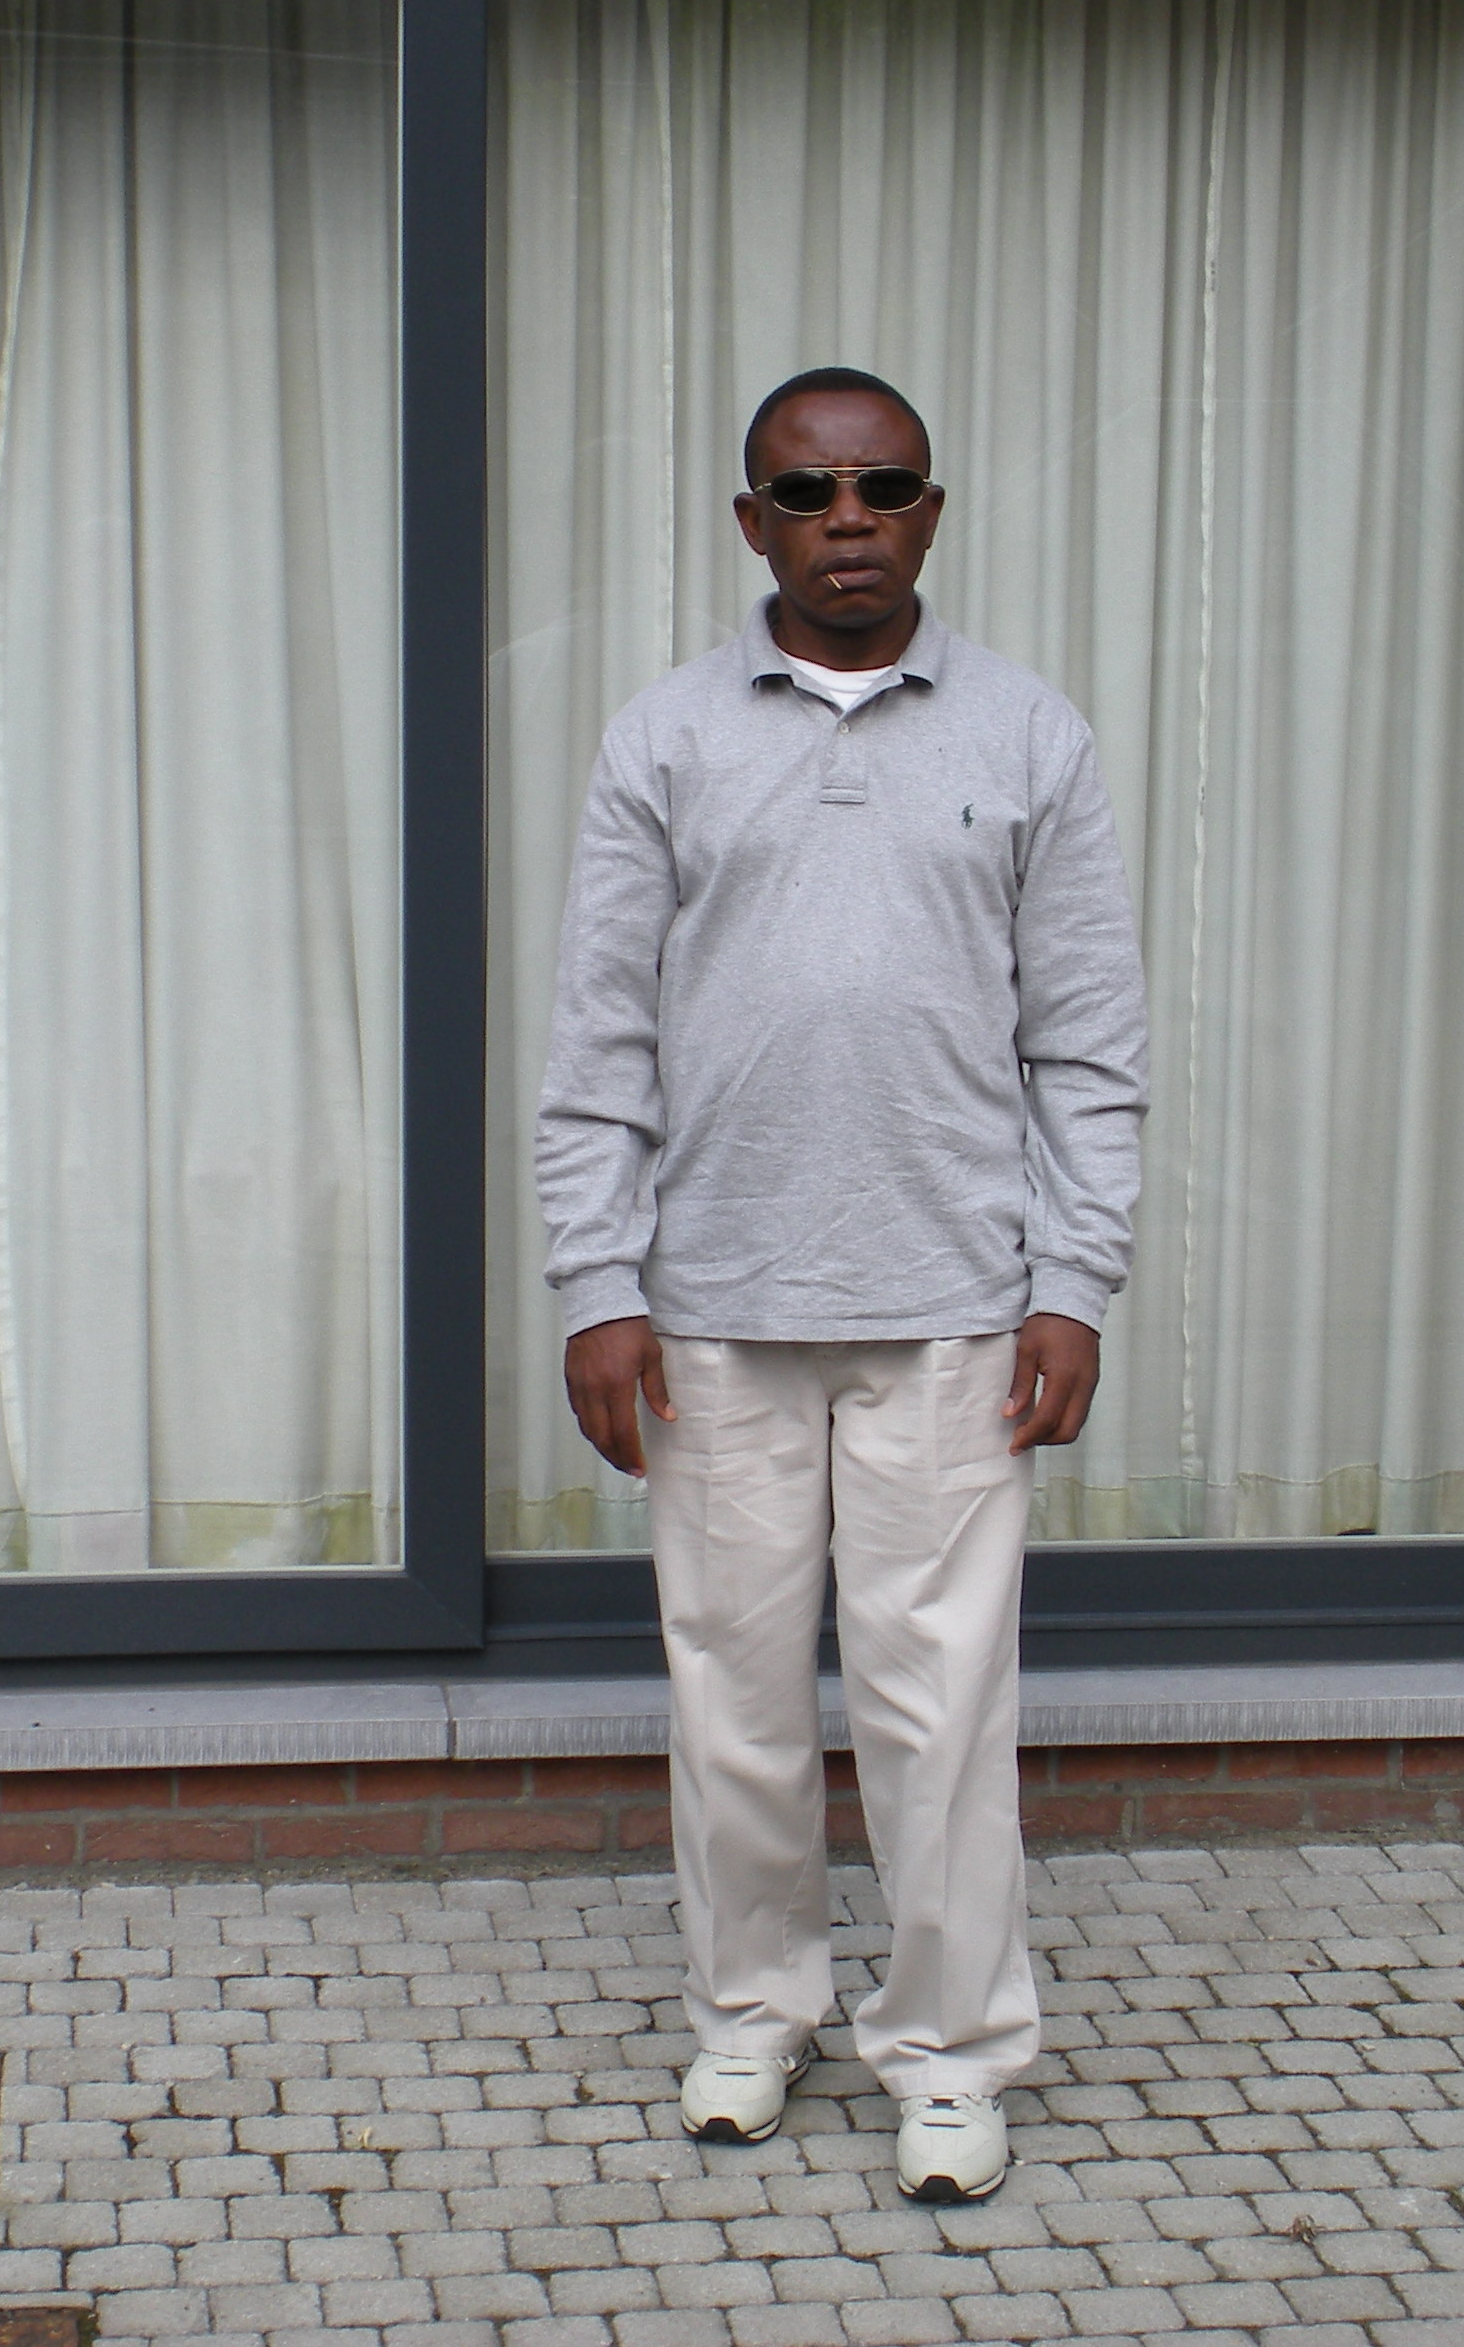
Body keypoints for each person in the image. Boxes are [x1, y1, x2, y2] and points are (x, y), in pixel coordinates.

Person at [535, 367, 1149, 2204]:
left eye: (883, 487)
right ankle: (754, 2009)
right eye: (807, 494)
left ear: (932, 510)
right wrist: (597, 1281)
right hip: (714, 1311)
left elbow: (1088, 1045)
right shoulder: (663, 739)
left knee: (939, 1715)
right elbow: (598, 1042)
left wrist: (1074, 1281)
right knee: (732, 1695)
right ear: (754, 523)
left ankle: (951, 2052)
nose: (849, 519)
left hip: (956, 1310)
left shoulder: (1031, 737)